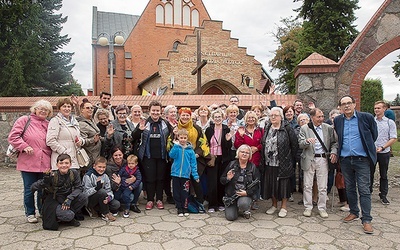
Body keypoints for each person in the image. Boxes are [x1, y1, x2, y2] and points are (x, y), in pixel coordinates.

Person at [334, 95, 378, 234]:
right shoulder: (338, 120)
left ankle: (366, 220)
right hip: (346, 159)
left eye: (348, 103)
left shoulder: (366, 117)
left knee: (364, 189)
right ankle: (354, 211)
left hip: (362, 159)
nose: (346, 106)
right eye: (343, 104)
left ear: (354, 104)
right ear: (340, 107)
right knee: (350, 188)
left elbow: (373, 135)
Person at [8, 100, 53, 223]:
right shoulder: (24, 120)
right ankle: (30, 213)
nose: (43, 111)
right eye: (41, 108)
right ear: (35, 109)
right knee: (29, 189)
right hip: (28, 162)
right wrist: (24, 146)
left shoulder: (48, 124)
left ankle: (42, 211)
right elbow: (13, 136)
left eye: (46, 110)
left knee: (42, 189)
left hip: (45, 162)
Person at [132, 100, 172, 210]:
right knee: (150, 179)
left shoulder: (165, 123)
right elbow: (133, 137)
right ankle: (150, 200)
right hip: (147, 156)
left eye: (157, 111)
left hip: (162, 156)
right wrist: (139, 131)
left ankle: (159, 199)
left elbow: (172, 136)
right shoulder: (144, 123)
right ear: (149, 111)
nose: (155, 113)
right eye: (153, 110)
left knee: (160, 179)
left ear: (161, 111)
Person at [298, 108, 338, 218]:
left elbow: (335, 143)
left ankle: (322, 207)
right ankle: (308, 207)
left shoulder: (328, 128)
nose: (321, 119)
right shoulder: (304, 128)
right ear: (312, 117)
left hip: (322, 159)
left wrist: (334, 152)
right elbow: (300, 144)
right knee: (307, 185)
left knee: (322, 185)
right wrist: (306, 141)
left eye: (322, 116)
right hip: (309, 158)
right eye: (318, 117)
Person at [30, 154, 87, 230]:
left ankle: (67, 216)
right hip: (54, 201)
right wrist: (45, 181)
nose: (64, 165)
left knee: (84, 196)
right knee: (69, 215)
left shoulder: (74, 173)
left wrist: (69, 199)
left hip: (66, 199)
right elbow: (33, 187)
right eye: (61, 163)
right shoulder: (53, 175)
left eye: (66, 163)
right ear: (57, 165)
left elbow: (79, 188)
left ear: (70, 164)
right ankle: (65, 217)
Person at [261, 107, 298, 218]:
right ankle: (274, 205)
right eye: (271, 115)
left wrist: (289, 159)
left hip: (283, 162)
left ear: (281, 117)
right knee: (272, 184)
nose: (273, 117)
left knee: (283, 185)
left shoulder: (287, 128)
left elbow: (294, 145)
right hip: (269, 162)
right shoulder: (268, 127)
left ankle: (284, 206)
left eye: (275, 115)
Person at [176, 107, 210, 206]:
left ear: (190, 116)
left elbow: (204, 142)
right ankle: (182, 201)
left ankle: (199, 201)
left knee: (195, 179)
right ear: (180, 116)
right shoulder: (175, 128)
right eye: (183, 115)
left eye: (187, 115)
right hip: (180, 159)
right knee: (182, 180)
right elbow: (170, 143)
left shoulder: (197, 128)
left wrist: (197, 153)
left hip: (195, 157)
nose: (185, 117)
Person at [220, 144, 260, 221]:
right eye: (242, 152)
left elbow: (257, 184)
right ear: (238, 153)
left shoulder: (253, 167)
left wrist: (247, 192)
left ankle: (245, 209)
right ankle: (235, 207)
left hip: (245, 194)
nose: (244, 154)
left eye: (247, 153)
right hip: (232, 195)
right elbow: (222, 180)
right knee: (231, 217)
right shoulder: (231, 164)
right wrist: (228, 178)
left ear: (250, 155)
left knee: (243, 204)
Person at [205, 109, 233, 213]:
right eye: (215, 117)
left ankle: (221, 203)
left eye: (219, 117)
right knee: (212, 182)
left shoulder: (226, 129)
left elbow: (228, 147)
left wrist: (228, 140)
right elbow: (206, 143)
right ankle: (212, 204)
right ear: (212, 118)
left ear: (223, 118)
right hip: (212, 158)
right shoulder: (209, 129)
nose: (217, 119)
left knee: (221, 181)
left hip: (223, 158)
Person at [169, 129, 200, 217]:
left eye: (184, 138)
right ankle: (179, 207)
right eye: (181, 138)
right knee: (176, 192)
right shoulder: (176, 147)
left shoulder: (190, 151)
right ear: (178, 137)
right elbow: (171, 155)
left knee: (184, 192)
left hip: (185, 175)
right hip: (175, 174)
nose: (182, 140)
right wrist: (175, 146)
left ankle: (185, 207)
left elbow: (193, 164)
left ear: (187, 138)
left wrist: (195, 175)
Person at [46, 97, 83, 170]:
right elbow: (50, 141)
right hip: (61, 161)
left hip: (74, 160)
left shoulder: (74, 121)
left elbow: (79, 135)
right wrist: (64, 151)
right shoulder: (55, 121)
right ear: (59, 108)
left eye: (69, 106)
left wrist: (81, 141)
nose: (67, 109)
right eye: (64, 106)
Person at [372, 101, 397, 205]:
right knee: (369, 173)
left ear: (384, 109)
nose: (376, 110)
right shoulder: (372, 121)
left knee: (384, 174)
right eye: (375, 108)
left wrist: (383, 147)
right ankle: (367, 193)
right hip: (372, 152)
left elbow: (393, 138)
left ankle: (383, 195)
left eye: (379, 108)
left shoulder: (389, 122)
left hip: (384, 151)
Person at [82, 156, 120, 221]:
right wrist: (96, 189)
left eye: (103, 167)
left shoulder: (105, 176)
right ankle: (106, 213)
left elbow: (108, 190)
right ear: (94, 166)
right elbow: (85, 193)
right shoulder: (88, 176)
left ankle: (98, 210)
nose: (101, 169)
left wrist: (109, 198)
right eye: (99, 167)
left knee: (116, 204)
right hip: (90, 199)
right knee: (101, 191)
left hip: (102, 198)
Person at [77, 99, 101, 169]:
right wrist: (93, 140)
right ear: (82, 110)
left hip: (96, 155)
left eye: (91, 108)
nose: (90, 109)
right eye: (87, 108)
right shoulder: (81, 124)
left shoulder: (91, 120)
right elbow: (82, 141)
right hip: (89, 158)